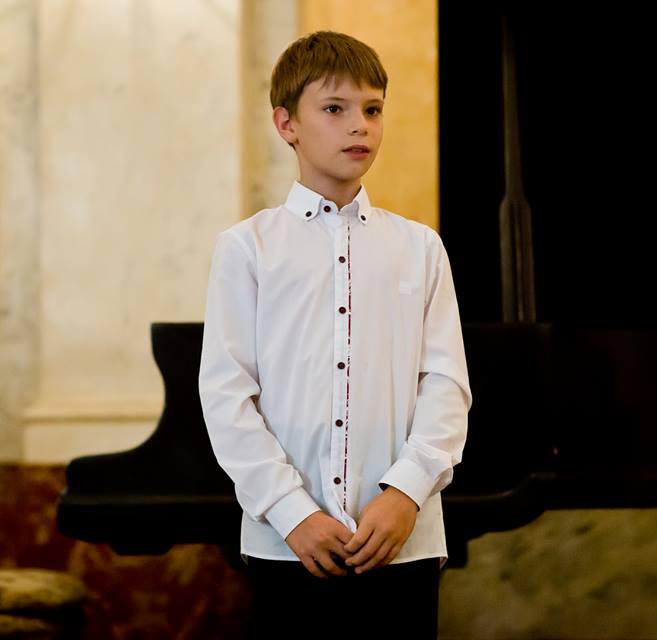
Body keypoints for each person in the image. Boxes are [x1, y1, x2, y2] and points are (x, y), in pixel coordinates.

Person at [197, 30, 472, 638]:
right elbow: (226, 394)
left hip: (402, 538)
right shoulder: (248, 248)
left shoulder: (420, 248)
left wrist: (405, 493)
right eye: (334, 108)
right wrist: (292, 512)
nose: (359, 126)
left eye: (373, 110)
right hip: (288, 542)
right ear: (286, 124)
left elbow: (446, 384)